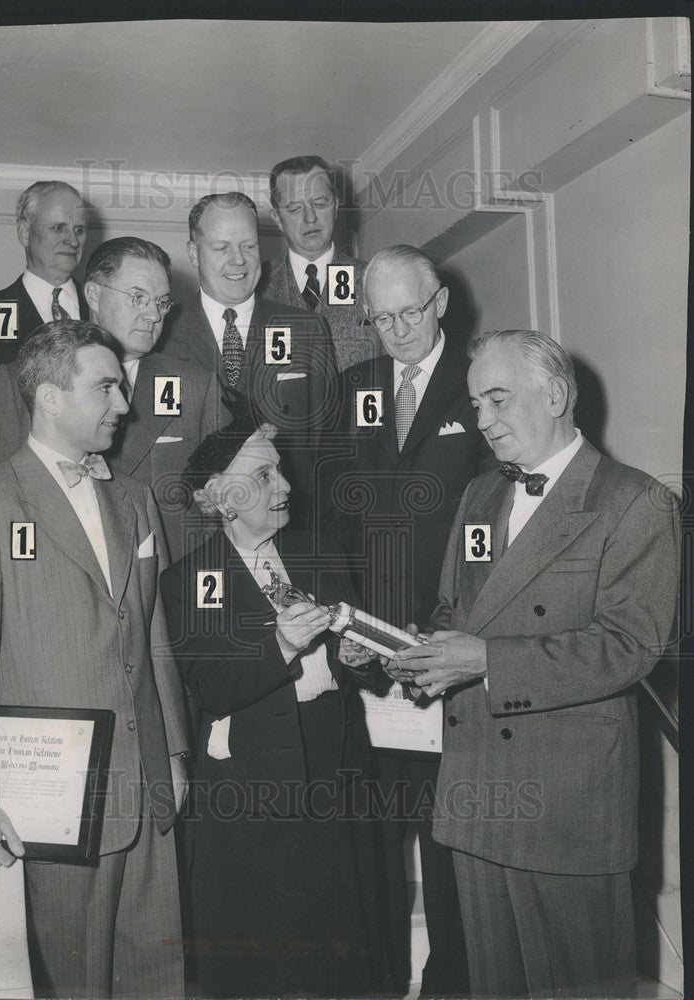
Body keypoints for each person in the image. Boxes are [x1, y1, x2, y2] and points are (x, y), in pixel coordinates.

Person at [385, 329, 680, 997]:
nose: (482, 421)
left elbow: (630, 647)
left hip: (565, 810)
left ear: (555, 395)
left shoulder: (635, 503)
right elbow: (453, 615)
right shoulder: (479, 497)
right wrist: (406, 649)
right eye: (476, 404)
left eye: (497, 399)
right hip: (475, 797)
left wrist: (486, 659)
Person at [0, 320, 189, 999]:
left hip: (147, 788)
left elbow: (151, 631)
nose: (123, 403)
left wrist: (176, 755)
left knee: (156, 977)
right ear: (48, 397)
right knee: (71, 982)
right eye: (105, 386)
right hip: (53, 800)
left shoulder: (132, 499)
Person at [160, 408, 390, 998]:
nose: (284, 485)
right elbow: (212, 687)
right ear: (220, 498)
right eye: (264, 476)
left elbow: (353, 659)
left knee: (343, 952)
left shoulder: (322, 550)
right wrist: (284, 642)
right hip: (251, 786)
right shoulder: (191, 580)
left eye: (279, 470)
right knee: (265, 958)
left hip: (336, 772)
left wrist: (363, 662)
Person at [321, 244, 487, 995]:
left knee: (451, 844)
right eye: (380, 318)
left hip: (454, 660)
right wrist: (347, 630)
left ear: (440, 301)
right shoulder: (357, 388)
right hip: (370, 659)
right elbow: (330, 515)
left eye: (409, 312)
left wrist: (461, 633)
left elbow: (499, 529)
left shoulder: (482, 383)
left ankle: (451, 984)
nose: (396, 331)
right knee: (375, 847)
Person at [0, 237, 224, 561]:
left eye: (161, 303)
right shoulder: (22, 379)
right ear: (93, 294)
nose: (154, 316)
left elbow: (223, 512)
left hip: (165, 592)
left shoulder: (195, 386)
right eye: (138, 298)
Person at [166, 191, 339, 524]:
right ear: (194, 253)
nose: (238, 260)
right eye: (222, 248)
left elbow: (328, 448)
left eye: (248, 246)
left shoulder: (307, 329)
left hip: (289, 529)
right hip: (195, 534)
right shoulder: (163, 334)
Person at [0, 181, 89, 428]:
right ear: (24, 232)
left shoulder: (107, 308)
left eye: (80, 230)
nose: (72, 241)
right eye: (59, 228)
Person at [261, 155, 379, 370]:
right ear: (277, 218)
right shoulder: (257, 286)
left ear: (335, 206)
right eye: (295, 208)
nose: (310, 218)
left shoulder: (373, 279)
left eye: (319, 203)